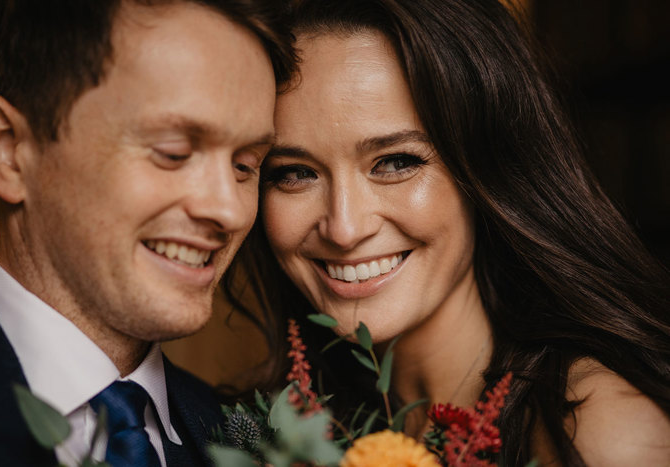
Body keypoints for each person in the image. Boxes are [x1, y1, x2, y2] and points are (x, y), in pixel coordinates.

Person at [225, 0, 670, 465]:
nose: (344, 228)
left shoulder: (597, 432)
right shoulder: (276, 433)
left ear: (488, 172)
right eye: (294, 173)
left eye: (396, 162)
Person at [0, 0, 294, 465]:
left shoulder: (247, 442)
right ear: (10, 149)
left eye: (245, 166)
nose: (228, 210)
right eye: (173, 152)